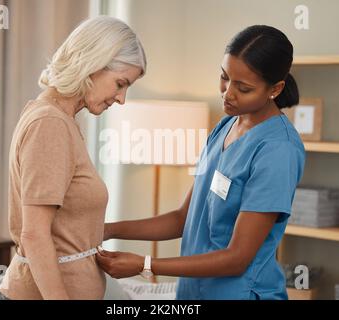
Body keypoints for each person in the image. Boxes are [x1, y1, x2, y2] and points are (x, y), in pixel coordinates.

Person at [96, 25, 306, 300]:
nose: (227, 93)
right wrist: (109, 230)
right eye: (224, 77)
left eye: (243, 88)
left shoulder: (278, 150)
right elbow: (182, 219)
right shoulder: (225, 127)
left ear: (275, 89)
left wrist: (146, 265)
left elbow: (237, 258)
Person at [0, 16, 146, 300]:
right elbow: (34, 235)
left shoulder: (61, 120)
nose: (121, 98)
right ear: (92, 64)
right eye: (120, 83)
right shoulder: (49, 124)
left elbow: (64, 227)